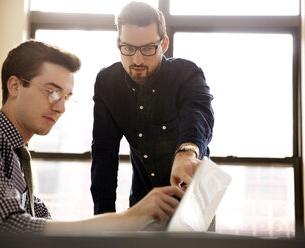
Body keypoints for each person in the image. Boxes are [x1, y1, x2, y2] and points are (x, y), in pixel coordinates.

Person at [0, 40, 183, 234]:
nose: (61, 107)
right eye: (52, 92)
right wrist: (130, 217)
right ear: (15, 86)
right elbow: (7, 229)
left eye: (66, 97)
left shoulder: (15, 158)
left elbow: (44, 226)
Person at [91, 1, 214, 215]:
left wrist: (187, 151)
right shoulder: (107, 83)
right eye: (128, 48)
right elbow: (104, 156)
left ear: (163, 44)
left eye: (148, 48)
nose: (137, 60)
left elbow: (198, 113)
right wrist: (104, 222)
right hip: (144, 199)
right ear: (118, 42)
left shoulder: (186, 73)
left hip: (195, 200)